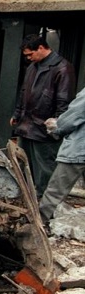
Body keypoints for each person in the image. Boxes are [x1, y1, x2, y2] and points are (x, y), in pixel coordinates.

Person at [10, 34, 75, 196]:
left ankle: (43, 205)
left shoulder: (62, 68)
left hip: (44, 129)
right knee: (26, 165)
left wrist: (57, 125)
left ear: (41, 48)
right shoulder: (33, 67)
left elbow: (64, 100)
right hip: (27, 125)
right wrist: (17, 114)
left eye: (30, 54)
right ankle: (27, 197)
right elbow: (24, 92)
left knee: (44, 170)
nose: (29, 58)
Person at [38, 86, 85, 223]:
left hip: (79, 149)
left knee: (55, 192)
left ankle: (39, 224)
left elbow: (74, 116)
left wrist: (57, 125)